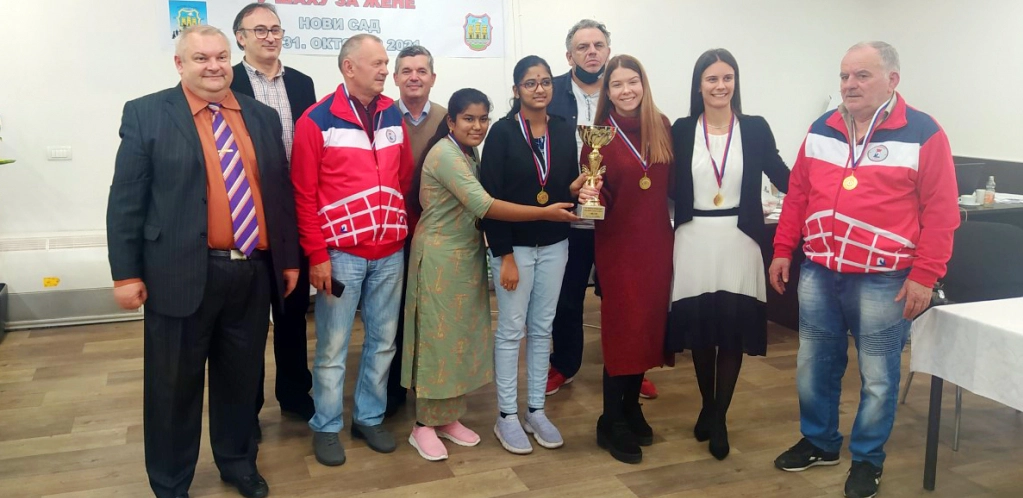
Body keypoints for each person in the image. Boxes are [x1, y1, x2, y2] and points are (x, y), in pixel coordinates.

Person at [107, 25, 299, 498]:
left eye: (220, 57)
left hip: (251, 270)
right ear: (180, 64)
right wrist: (126, 273)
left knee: (241, 378)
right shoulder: (147, 113)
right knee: (174, 387)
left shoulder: (259, 116)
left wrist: (288, 259)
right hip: (178, 273)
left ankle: (238, 462)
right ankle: (171, 482)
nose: (214, 66)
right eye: (200, 58)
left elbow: (277, 193)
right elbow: (126, 200)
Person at [770, 41, 959, 498]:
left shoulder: (923, 133)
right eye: (844, 76)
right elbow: (798, 194)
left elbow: (941, 211)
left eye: (862, 75)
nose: (849, 85)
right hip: (820, 269)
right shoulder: (823, 128)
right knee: (814, 364)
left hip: (885, 277)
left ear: (892, 80)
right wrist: (782, 248)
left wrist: (925, 275)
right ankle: (820, 442)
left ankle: (868, 458)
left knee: (878, 374)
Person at [401, 88, 586, 461]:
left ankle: (447, 417)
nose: (478, 126)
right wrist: (546, 213)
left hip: (466, 257)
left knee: (459, 341)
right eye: (468, 119)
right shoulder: (445, 154)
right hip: (439, 258)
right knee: (437, 342)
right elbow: (485, 205)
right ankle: (423, 425)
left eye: (483, 118)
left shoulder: (468, 152)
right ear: (450, 121)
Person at [291, 33, 415, 466]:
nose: (385, 70)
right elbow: (303, 194)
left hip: (390, 251)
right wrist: (317, 255)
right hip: (340, 256)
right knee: (332, 347)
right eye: (377, 63)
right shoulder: (316, 120)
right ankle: (326, 426)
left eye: (385, 62)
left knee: (383, 341)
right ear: (349, 67)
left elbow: (402, 177)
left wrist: (390, 225)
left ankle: (368, 417)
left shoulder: (392, 114)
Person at [667, 48, 791, 461]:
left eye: (727, 78)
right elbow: (661, 180)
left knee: (732, 330)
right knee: (701, 330)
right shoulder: (683, 129)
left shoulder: (754, 128)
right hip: (694, 238)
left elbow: (783, 175)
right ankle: (709, 405)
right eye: (712, 79)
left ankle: (719, 417)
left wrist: (824, 188)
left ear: (735, 82)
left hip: (740, 239)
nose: (720, 86)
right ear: (699, 85)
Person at [546, 19, 658, 400]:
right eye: (582, 47)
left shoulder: (626, 93)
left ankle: (630, 368)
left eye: (598, 45)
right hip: (571, 216)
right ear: (570, 56)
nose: (591, 52)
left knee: (623, 299)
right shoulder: (552, 94)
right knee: (568, 297)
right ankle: (564, 364)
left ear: (608, 50)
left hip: (620, 223)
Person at [480, 55, 585, 455]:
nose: (539, 89)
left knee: (542, 328)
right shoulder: (502, 133)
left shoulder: (564, 129)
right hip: (515, 250)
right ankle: (506, 415)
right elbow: (490, 199)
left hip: (556, 244)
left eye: (545, 82)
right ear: (516, 90)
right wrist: (504, 255)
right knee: (511, 331)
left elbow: (560, 186)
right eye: (530, 83)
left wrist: (582, 186)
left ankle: (536, 410)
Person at [230, 1, 318, 429]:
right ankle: (246, 410)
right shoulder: (227, 82)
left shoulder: (302, 83)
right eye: (260, 30)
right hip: (244, 213)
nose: (270, 37)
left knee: (292, 312)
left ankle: (295, 395)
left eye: (275, 29)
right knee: (245, 322)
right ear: (241, 38)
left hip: (293, 211)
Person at [586, 55, 673, 464]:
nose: (626, 90)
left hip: (656, 246)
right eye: (617, 84)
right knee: (623, 331)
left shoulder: (662, 126)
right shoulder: (598, 136)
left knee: (647, 329)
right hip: (618, 248)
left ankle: (631, 406)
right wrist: (590, 195)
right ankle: (610, 420)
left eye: (632, 81)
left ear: (643, 83)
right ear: (607, 91)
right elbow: (597, 199)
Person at [385, 44, 448, 418]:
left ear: (433, 78)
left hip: (435, 234)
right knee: (393, 314)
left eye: (421, 71)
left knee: (430, 313)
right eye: (406, 70)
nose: (414, 77)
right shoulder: (381, 116)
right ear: (395, 77)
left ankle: (428, 384)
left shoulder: (447, 119)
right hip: (393, 232)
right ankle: (393, 388)